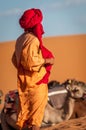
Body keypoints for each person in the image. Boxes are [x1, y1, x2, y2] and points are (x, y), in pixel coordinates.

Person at [12, 8, 54, 130]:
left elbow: (14, 59)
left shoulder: (20, 39)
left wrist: (23, 71)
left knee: (26, 119)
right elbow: (30, 61)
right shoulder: (33, 40)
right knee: (35, 120)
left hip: (24, 84)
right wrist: (47, 61)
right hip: (36, 84)